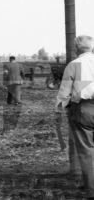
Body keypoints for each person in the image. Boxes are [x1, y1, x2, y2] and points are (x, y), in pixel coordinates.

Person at [55, 35, 94, 199]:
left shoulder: (73, 65)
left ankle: (91, 191)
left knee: (87, 151)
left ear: (77, 48)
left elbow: (64, 92)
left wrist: (57, 111)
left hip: (83, 110)